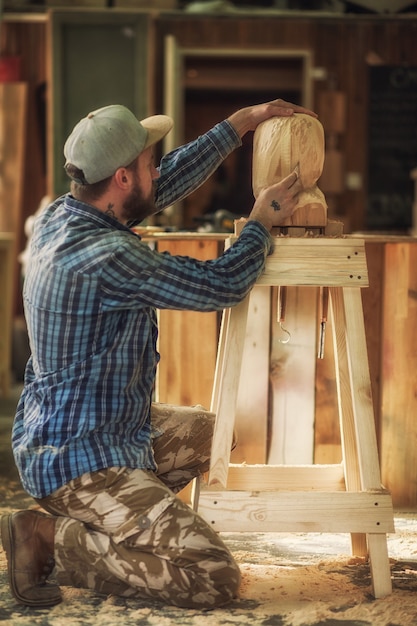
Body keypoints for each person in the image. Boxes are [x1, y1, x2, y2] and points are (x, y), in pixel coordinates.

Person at [1, 99, 316, 610]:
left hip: (94, 430)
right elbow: (222, 284)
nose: (159, 168)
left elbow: (163, 182)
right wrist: (261, 223)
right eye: (149, 161)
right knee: (212, 575)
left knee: (212, 438)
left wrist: (238, 125)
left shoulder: (67, 212)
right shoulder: (105, 257)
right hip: (81, 462)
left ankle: (122, 524)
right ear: (123, 178)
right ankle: (49, 540)